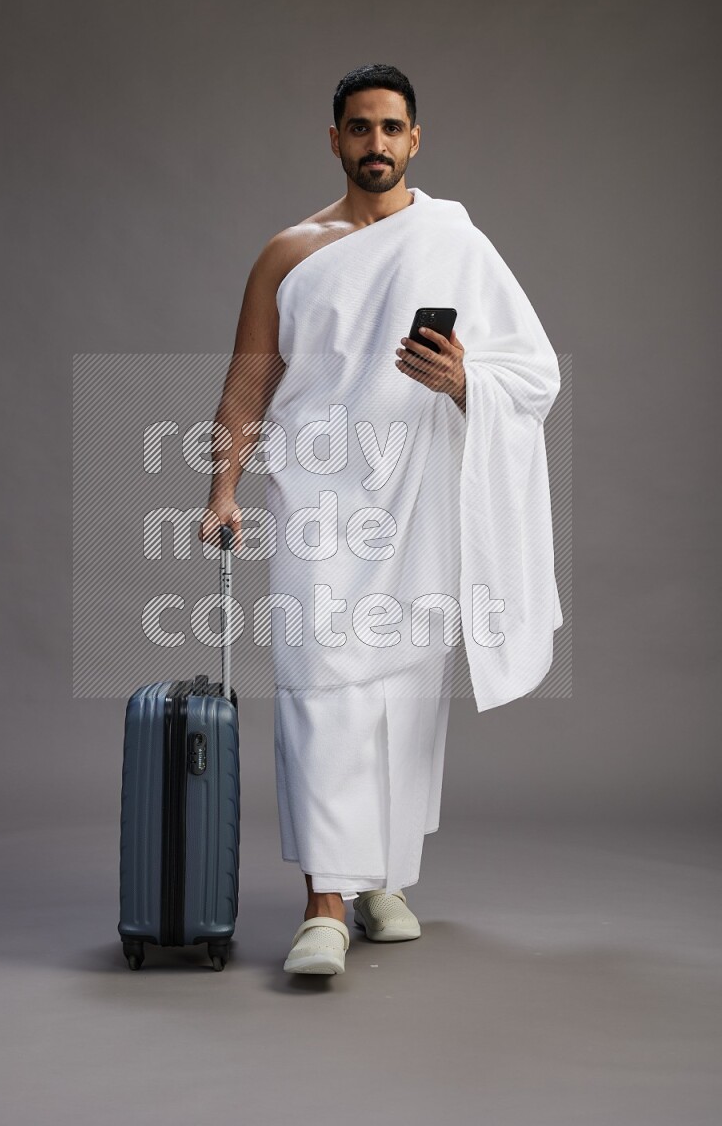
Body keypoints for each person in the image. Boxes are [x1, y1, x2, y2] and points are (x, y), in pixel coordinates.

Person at [198, 63, 562, 977]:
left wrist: (465, 379)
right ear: (335, 140)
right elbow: (251, 378)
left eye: (392, 128)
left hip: (418, 494)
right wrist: (221, 490)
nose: (376, 144)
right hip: (319, 494)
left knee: (404, 694)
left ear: (415, 139)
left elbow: (534, 371)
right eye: (359, 129)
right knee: (322, 683)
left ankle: (382, 881)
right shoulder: (290, 251)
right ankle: (325, 899)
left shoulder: (455, 243)